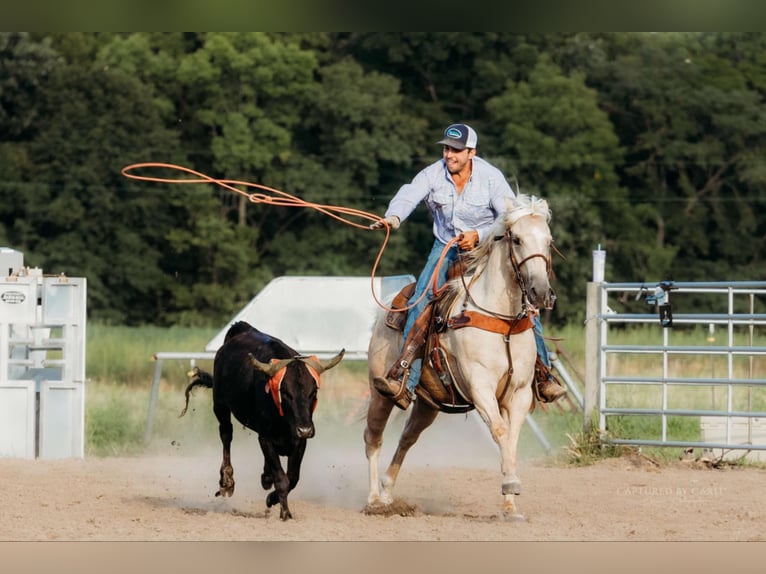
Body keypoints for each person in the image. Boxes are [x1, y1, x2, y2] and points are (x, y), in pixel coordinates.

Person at [370, 122, 567, 410]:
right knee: (421, 298)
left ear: (471, 152)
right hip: (445, 247)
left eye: (456, 150)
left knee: (525, 303)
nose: (449, 155)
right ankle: (405, 378)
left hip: (486, 248)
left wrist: (479, 235)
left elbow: (509, 217)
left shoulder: (490, 178)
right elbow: (410, 193)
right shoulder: (433, 174)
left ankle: (542, 374)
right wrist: (394, 217)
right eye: (447, 149)